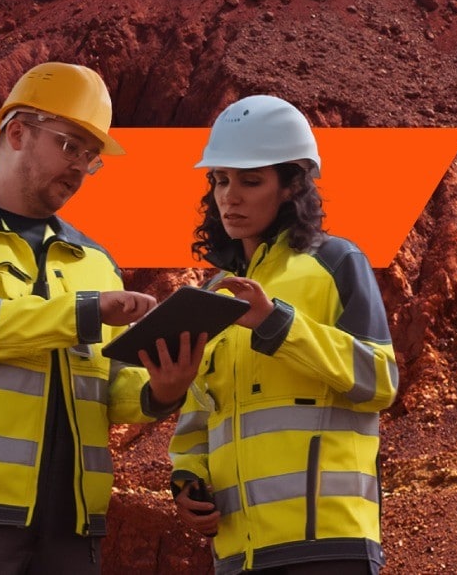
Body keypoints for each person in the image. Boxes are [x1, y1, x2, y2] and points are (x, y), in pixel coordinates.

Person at [0, 61, 203, 575]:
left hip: (72, 526)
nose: (81, 165)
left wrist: (160, 391)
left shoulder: (96, 262)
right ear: (16, 132)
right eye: (69, 145)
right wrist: (85, 312)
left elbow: (109, 388)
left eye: (91, 155)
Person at [170, 95, 399, 574]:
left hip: (328, 546)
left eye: (251, 181)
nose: (230, 196)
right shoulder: (214, 293)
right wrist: (187, 478)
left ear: (291, 186)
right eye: (220, 180)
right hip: (238, 554)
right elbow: (198, 413)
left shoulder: (336, 262)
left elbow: (379, 380)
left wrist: (278, 324)